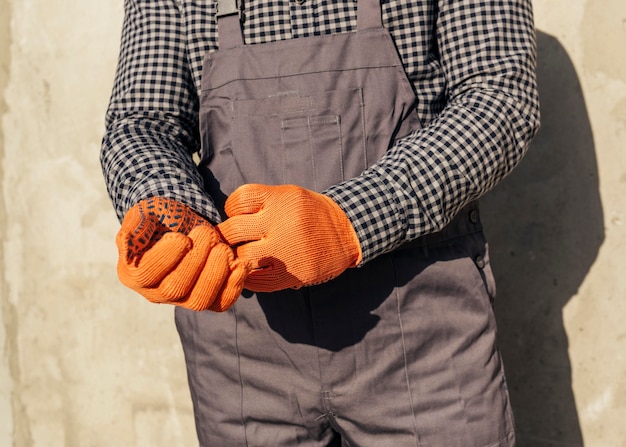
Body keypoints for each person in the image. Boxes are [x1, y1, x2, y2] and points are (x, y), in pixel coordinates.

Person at [101, 0, 540, 445]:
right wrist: (168, 212)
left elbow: (499, 99)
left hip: (421, 334)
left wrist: (348, 220)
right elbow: (143, 123)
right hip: (243, 349)